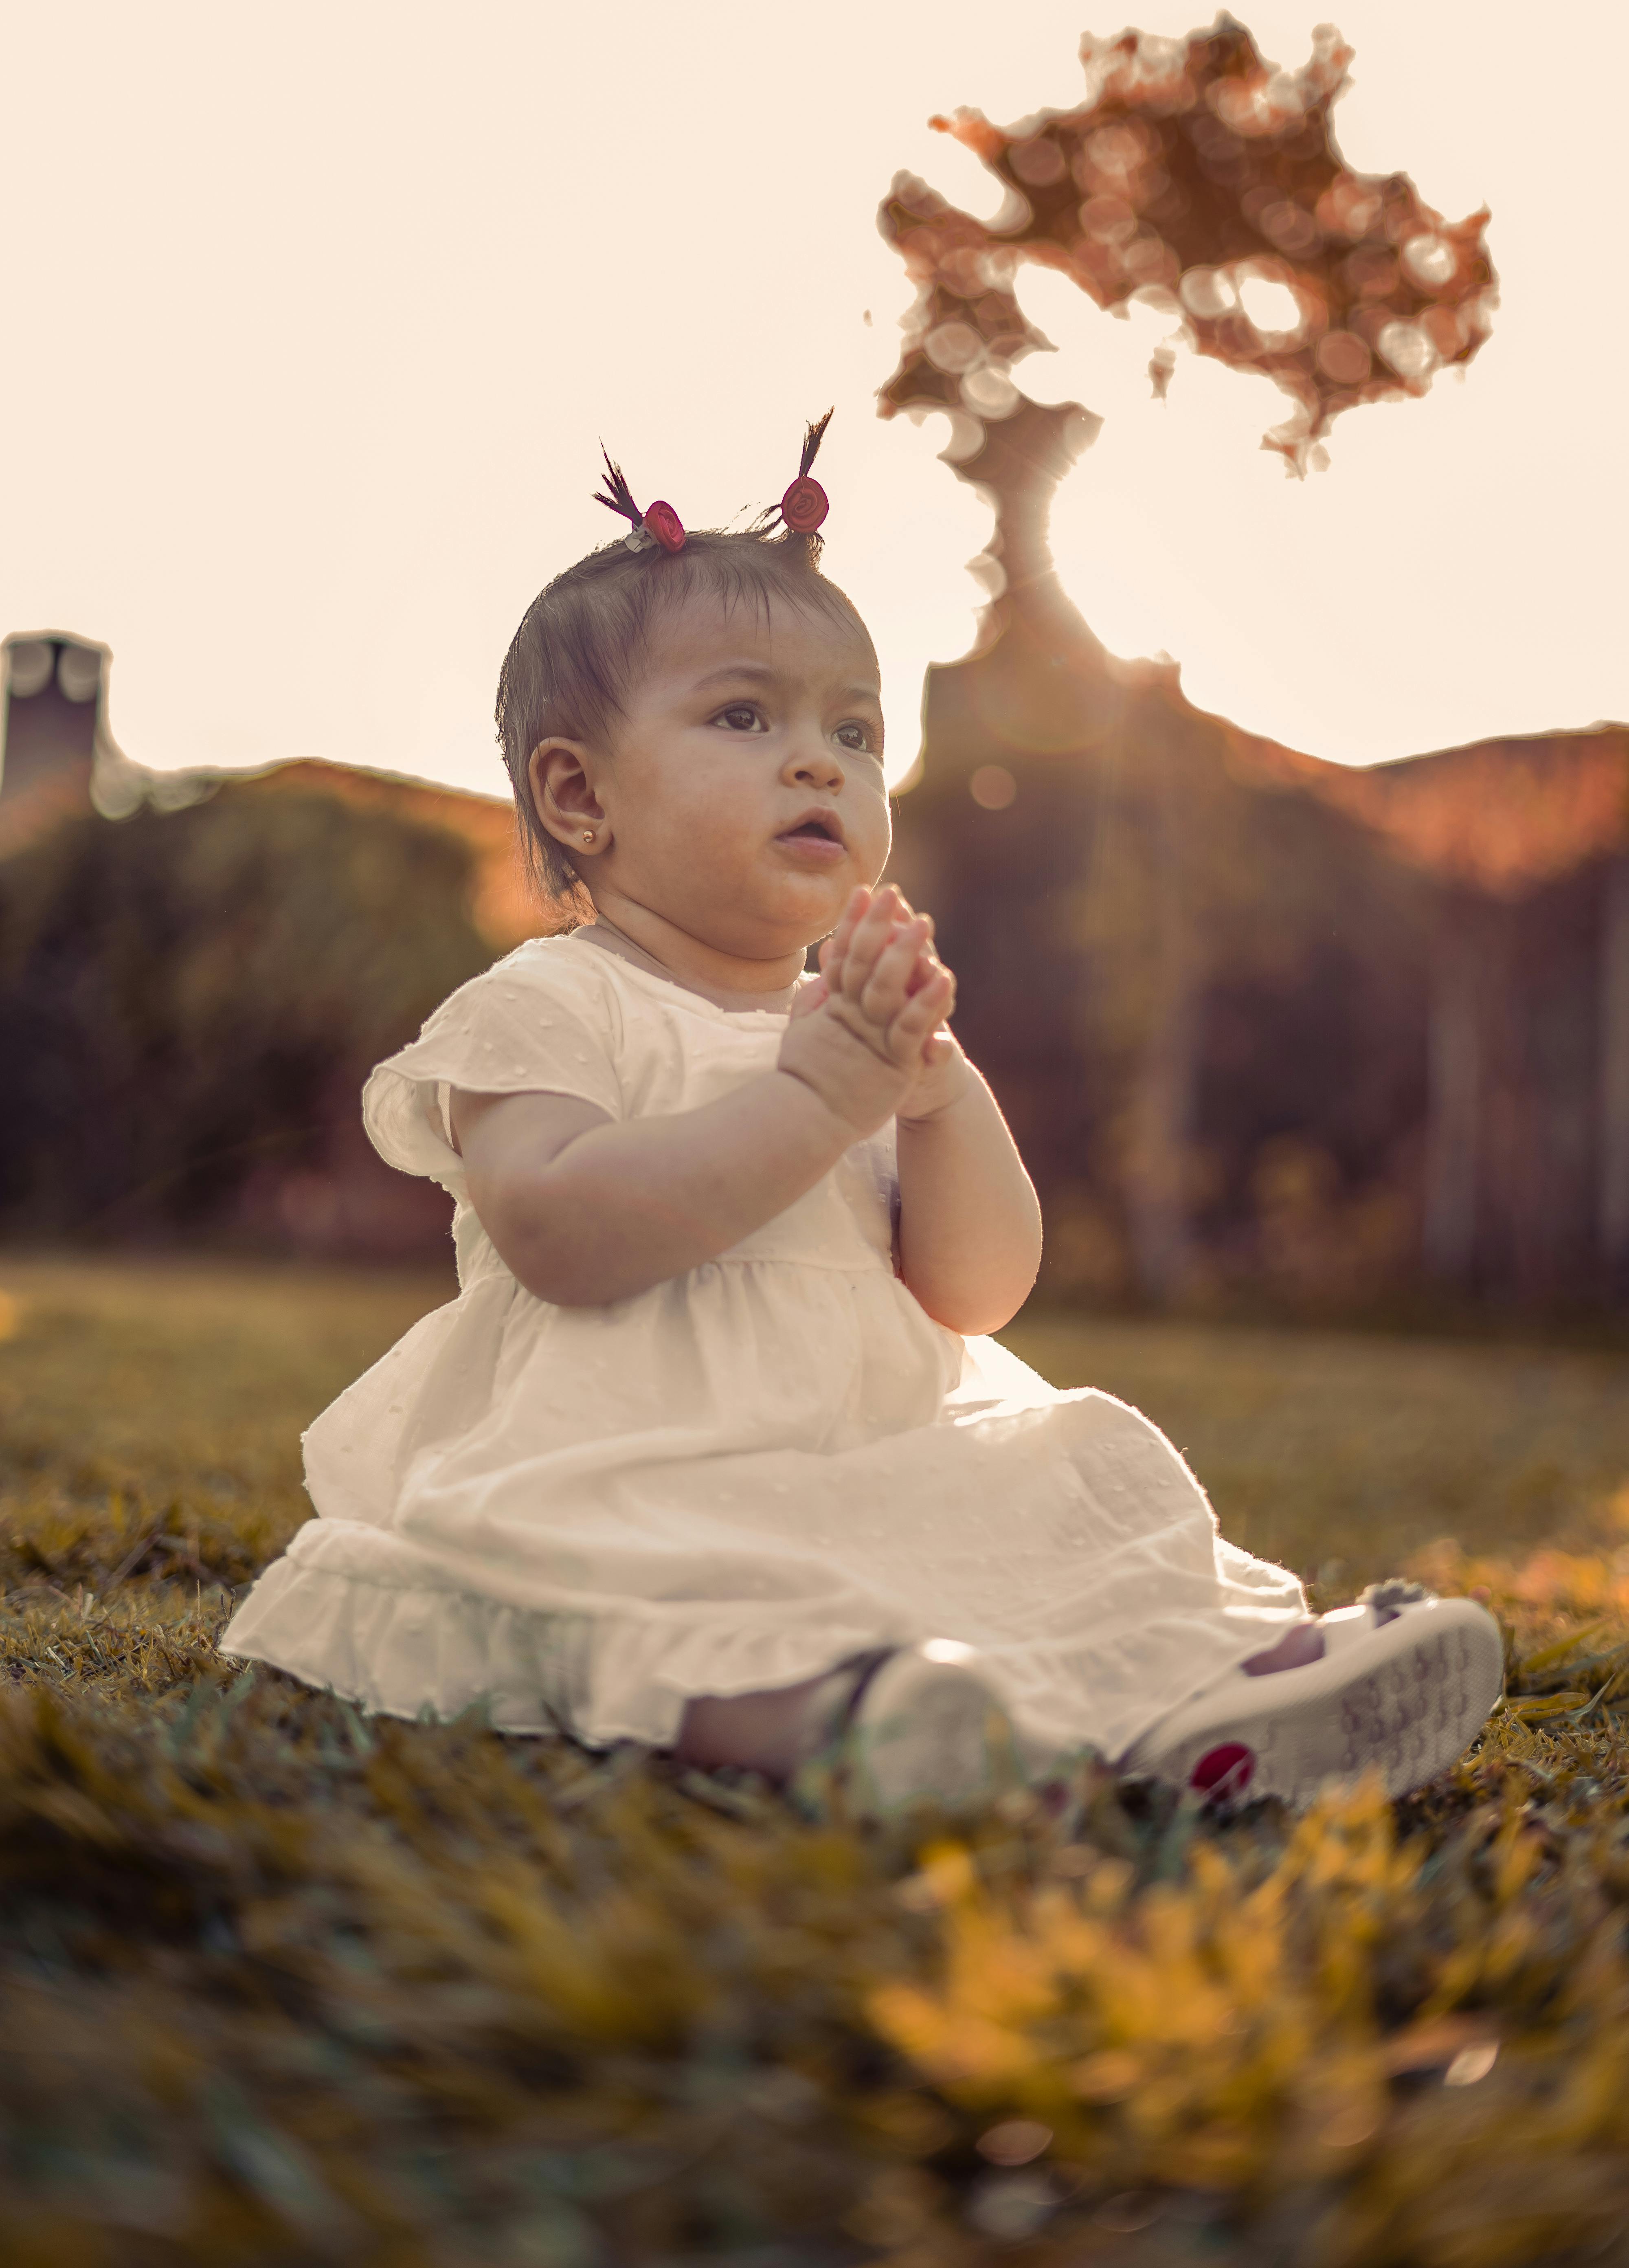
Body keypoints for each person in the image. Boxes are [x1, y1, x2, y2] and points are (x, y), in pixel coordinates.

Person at [223, 426, 1503, 1817]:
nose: (819, 765)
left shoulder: (861, 1023)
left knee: (1067, 1486)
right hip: (637, 1459)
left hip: (877, 1445)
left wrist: (934, 1093)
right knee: (647, 1586)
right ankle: (850, 1724)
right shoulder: (548, 1005)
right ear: (579, 795)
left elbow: (975, 1289)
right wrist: (820, 1095)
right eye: (743, 718)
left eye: (854, 731)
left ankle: (1220, 1692)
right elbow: (561, 1234)